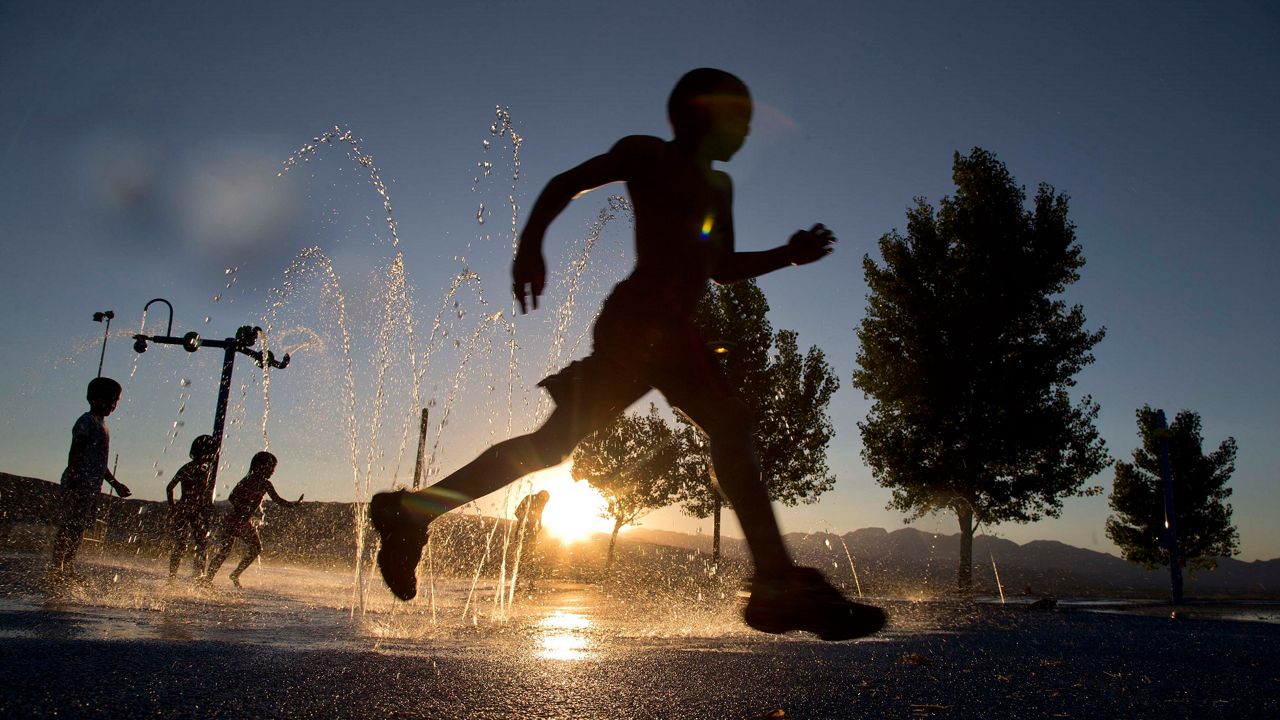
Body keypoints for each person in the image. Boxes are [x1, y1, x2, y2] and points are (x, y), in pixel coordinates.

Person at [372, 68, 885, 640]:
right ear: (698, 116)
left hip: (670, 332)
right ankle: (775, 584)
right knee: (719, 425)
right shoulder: (648, 156)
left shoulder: (719, 189)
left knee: (555, 445)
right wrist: (530, 246)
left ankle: (415, 511)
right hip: (640, 324)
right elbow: (566, 183)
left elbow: (722, 268)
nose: (744, 134)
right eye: (737, 120)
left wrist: (787, 255)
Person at [50, 377, 132, 580]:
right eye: (109, 399)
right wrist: (75, 476)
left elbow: (100, 464)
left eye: (116, 401)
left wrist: (116, 484)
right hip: (78, 482)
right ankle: (57, 568)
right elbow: (75, 451)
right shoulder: (87, 421)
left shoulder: (102, 425)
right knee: (69, 526)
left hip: (90, 485)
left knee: (77, 528)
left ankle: (66, 567)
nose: (112, 405)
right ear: (93, 398)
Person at [203, 451, 303, 588]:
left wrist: (293, 504)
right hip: (233, 519)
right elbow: (232, 497)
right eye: (270, 467)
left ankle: (235, 574)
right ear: (259, 466)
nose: (272, 471)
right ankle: (208, 579)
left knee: (256, 548)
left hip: (243, 522)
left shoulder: (266, 484)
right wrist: (242, 507)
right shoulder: (247, 480)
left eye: (273, 468)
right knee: (225, 550)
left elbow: (277, 500)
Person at [165, 434, 217, 579]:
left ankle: (172, 577)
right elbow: (204, 493)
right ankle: (200, 576)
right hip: (195, 511)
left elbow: (169, 487)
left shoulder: (187, 467)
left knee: (180, 545)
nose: (214, 456)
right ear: (207, 453)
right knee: (201, 544)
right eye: (213, 453)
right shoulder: (203, 470)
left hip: (183, 508)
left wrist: (173, 507)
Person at [509, 490, 550, 590]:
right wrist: (525, 520)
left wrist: (539, 524)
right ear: (539, 495)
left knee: (531, 556)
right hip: (522, 529)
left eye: (545, 501)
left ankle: (531, 583)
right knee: (520, 555)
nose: (543, 503)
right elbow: (517, 512)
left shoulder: (542, 502)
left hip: (532, 531)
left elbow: (540, 513)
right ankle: (517, 583)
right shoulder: (528, 498)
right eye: (542, 499)